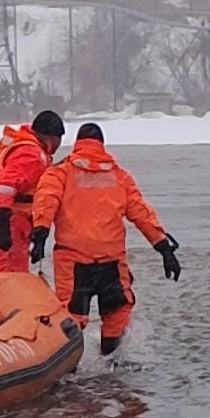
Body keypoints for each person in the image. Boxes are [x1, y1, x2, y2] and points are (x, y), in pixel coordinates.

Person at [30, 122, 182, 356]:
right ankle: (112, 370)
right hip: (111, 261)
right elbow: (141, 212)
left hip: (74, 260)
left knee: (71, 317)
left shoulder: (60, 172)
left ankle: (68, 372)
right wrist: (164, 248)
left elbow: (46, 201)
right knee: (117, 314)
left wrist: (40, 235)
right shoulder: (119, 175)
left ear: (77, 144)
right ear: (101, 144)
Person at [0, 109, 66, 273]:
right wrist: (3, 229)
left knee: (3, 282)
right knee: (11, 284)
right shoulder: (31, 154)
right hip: (4, 229)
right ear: (53, 138)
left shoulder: (19, 148)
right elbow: (5, 188)